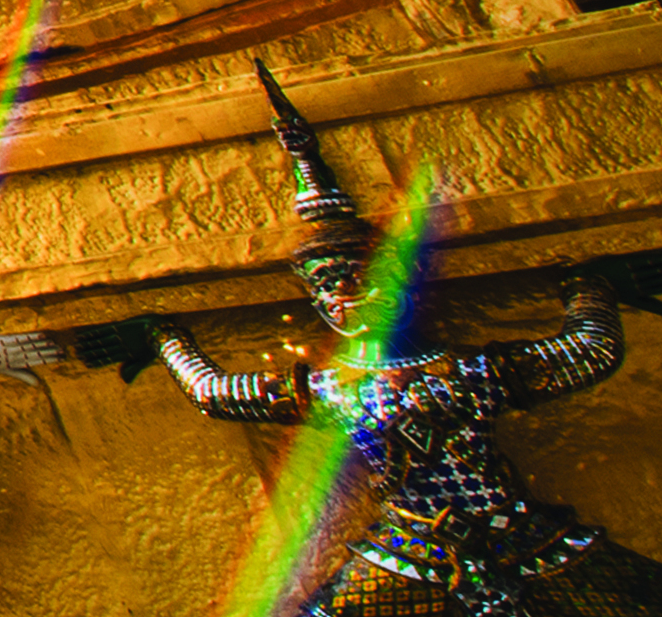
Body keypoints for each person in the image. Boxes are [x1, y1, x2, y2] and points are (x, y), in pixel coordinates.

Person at [140, 64, 656, 615]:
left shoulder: (469, 373)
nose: (340, 300)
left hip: (520, 535)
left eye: (355, 282)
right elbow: (213, 392)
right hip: (407, 547)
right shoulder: (331, 390)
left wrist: (586, 281)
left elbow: (589, 351)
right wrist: (164, 336)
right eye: (325, 289)